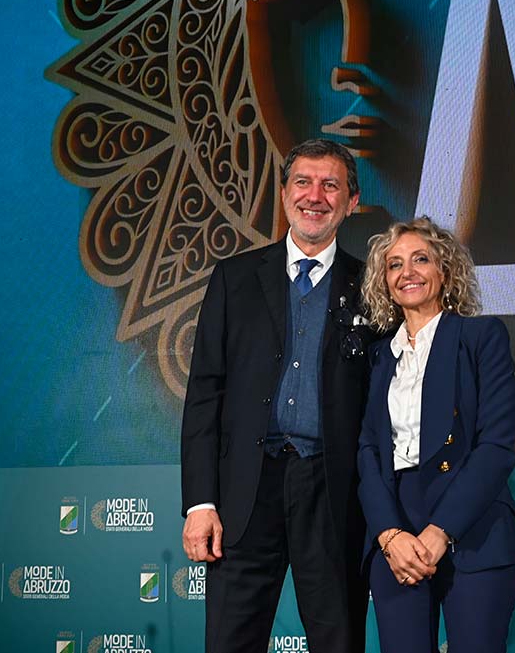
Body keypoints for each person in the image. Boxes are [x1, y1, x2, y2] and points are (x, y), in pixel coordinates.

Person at [180, 139, 373, 653]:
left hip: (334, 493)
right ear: (284, 193)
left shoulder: (372, 286)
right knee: (230, 642)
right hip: (244, 493)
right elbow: (204, 394)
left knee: (339, 641)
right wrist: (200, 502)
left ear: (351, 202)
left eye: (331, 185)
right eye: (303, 182)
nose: (315, 196)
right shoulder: (234, 278)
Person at [357, 217, 515, 653]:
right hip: (396, 532)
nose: (407, 272)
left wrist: (441, 531)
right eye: (394, 265)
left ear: (445, 271)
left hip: (474, 528)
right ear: (385, 282)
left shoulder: (481, 337)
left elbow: (496, 446)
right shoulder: (379, 357)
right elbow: (368, 452)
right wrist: (388, 535)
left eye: (420, 259)